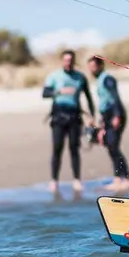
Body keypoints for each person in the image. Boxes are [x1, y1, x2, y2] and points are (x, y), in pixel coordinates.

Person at [41, 49, 95, 195]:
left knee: (74, 149)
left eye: (70, 60)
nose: (68, 63)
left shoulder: (80, 77)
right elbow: (45, 93)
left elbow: (89, 98)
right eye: (65, 60)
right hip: (58, 117)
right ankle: (54, 181)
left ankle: (77, 180)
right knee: (57, 149)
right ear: (62, 61)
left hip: (74, 117)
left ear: (73, 61)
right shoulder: (54, 76)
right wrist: (59, 92)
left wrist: (92, 117)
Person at [87, 55, 129, 193]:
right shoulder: (100, 80)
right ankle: (118, 179)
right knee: (110, 146)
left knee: (113, 146)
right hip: (108, 116)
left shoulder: (107, 79)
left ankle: (126, 179)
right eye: (90, 68)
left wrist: (117, 115)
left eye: (94, 67)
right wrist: (102, 126)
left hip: (115, 114)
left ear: (100, 66)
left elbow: (114, 97)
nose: (92, 70)